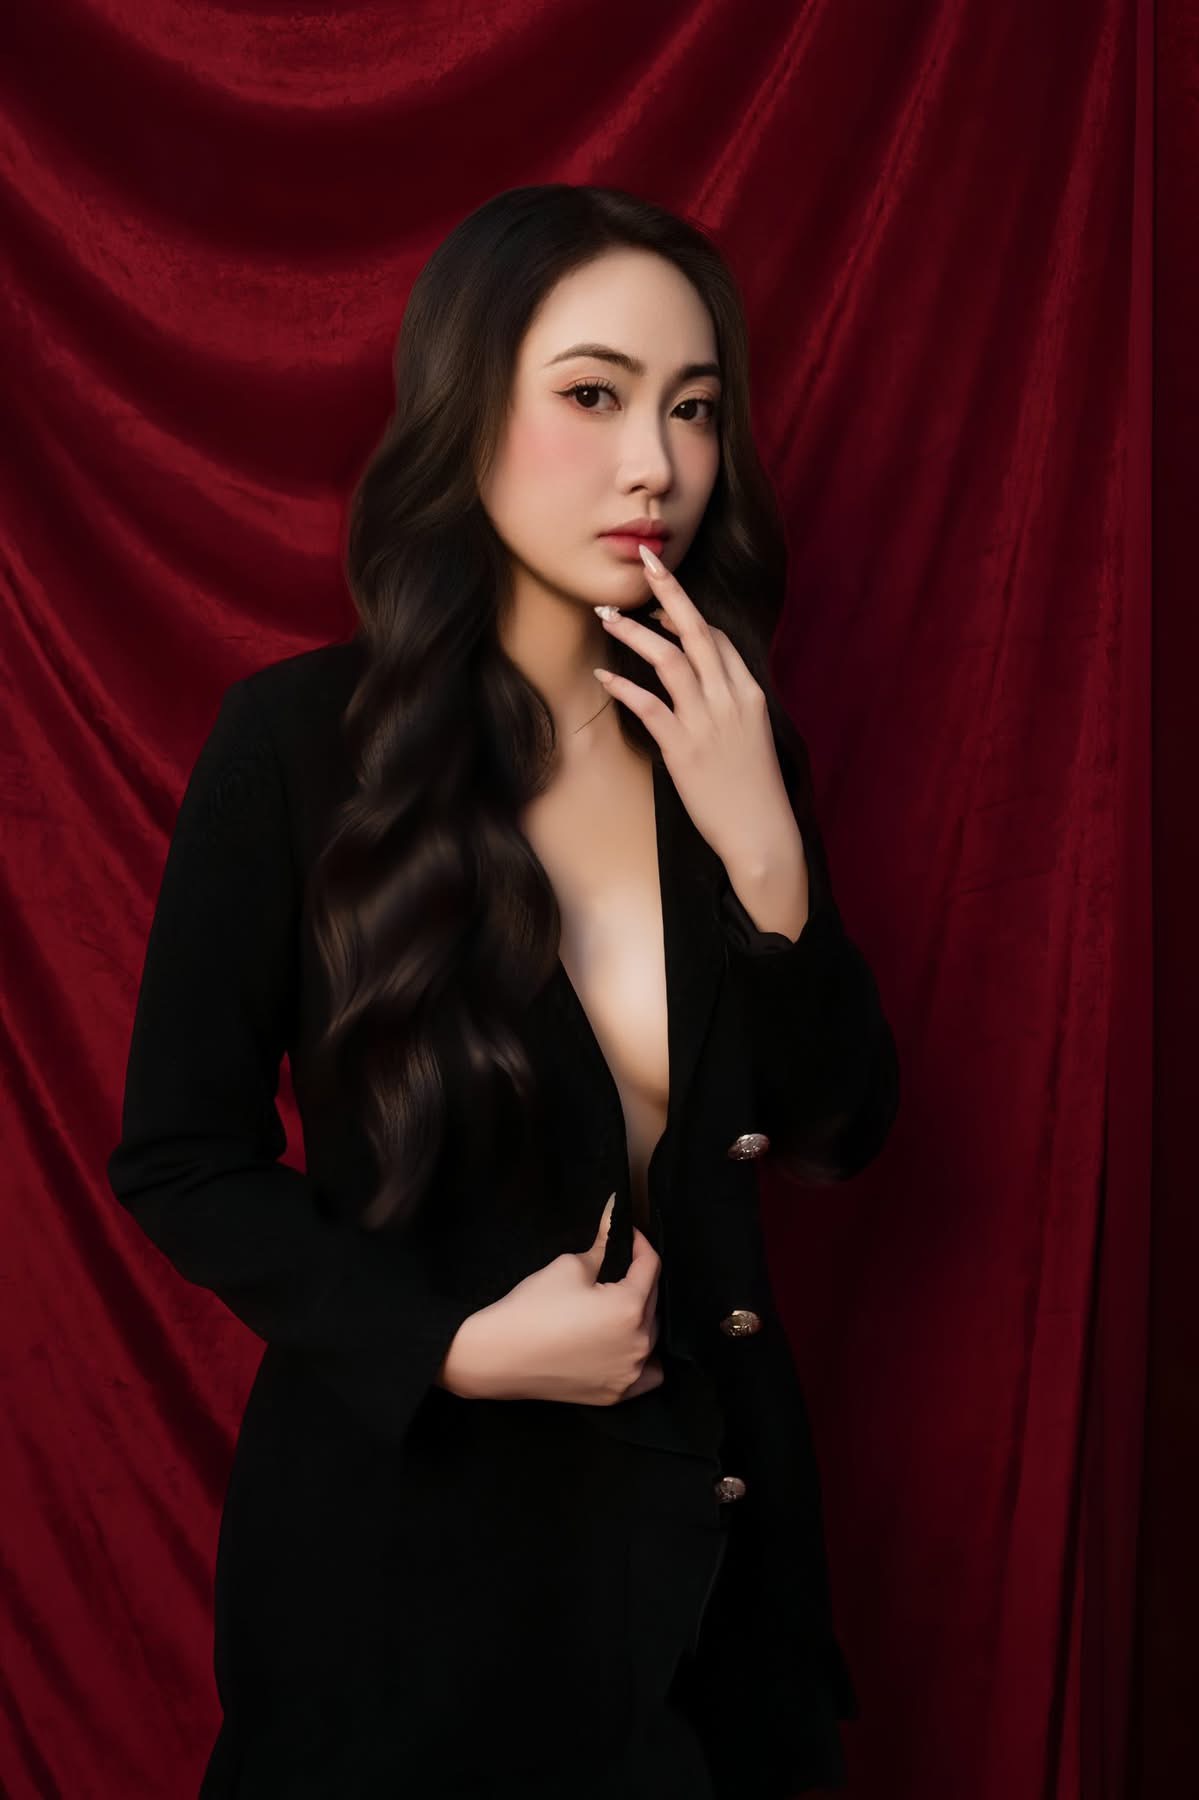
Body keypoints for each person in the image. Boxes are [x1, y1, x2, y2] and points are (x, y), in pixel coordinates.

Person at [107, 183, 900, 1798]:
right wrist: (453, 1345)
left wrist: (767, 862)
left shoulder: (730, 745)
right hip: (416, 1578)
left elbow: (843, 1127)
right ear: (467, 412)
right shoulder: (297, 749)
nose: (656, 464)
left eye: (694, 409)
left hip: (709, 1574)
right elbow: (180, 1159)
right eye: (594, 395)